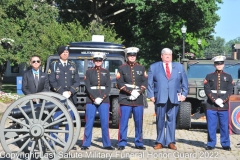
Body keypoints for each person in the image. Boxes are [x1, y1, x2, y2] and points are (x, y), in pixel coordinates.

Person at [147, 48, 188, 150]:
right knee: (160, 120)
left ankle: (170, 141)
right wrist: (151, 95)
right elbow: (149, 83)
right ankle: (160, 141)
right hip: (160, 97)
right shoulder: (154, 67)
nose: (168, 56)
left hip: (174, 98)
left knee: (172, 120)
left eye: (170, 54)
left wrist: (184, 94)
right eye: (165, 54)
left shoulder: (179, 67)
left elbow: (184, 82)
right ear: (161, 56)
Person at [81, 52, 115, 150]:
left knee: (105, 122)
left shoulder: (106, 71)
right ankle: (86, 143)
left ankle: (107, 144)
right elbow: (87, 86)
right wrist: (94, 97)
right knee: (89, 122)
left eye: (100, 60)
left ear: (102, 61)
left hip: (103, 100)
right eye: (96, 60)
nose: (98, 62)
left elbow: (108, 86)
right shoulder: (88, 72)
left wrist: (101, 97)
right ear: (93, 61)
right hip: (91, 100)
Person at [116, 47, 148, 150]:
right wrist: (130, 92)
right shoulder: (121, 68)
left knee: (139, 122)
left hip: (138, 99)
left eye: (134, 55)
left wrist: (138, 92)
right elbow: (119, 82)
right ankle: (122, 142)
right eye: (130, 55)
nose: (132, 57)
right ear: (127, 56)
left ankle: (138, 142)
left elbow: (145, 81)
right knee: (123, 122)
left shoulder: (141, 68)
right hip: (125, 98)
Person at [48, 46, 80, 145]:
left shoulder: (73, 65)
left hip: (70, 97)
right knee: (55, 121)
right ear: (60, 54)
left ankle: (69, 142)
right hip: (58, 96)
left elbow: (77, 81)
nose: (66, 54)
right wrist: (61, 92)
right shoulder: (54, 65)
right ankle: (53, 141)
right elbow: (52, 81)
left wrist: (70, 91)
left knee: (70, 122)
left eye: (67, 52)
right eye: (63, 52)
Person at [204, 55, 233, 151]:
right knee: (211, 126)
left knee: (224, 126)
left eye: (221, 64)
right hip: (211, 105)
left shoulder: (228, 76)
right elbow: (207, 89)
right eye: (217, 64)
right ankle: (211, 143)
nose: (219, 65)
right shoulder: (209, 76)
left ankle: (225, 144)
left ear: (223, 65)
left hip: (223, 105)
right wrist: (214, 99)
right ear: (214, 65)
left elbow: (229, 90)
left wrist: (223, 100)